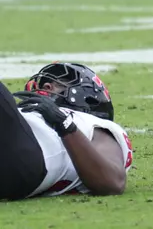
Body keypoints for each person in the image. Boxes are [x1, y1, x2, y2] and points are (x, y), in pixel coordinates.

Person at [1, 62, 132, 200]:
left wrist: (64, 123)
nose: (45, 87)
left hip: (26, 158)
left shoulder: (94, 124)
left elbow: (113, 182)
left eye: (57, 84)